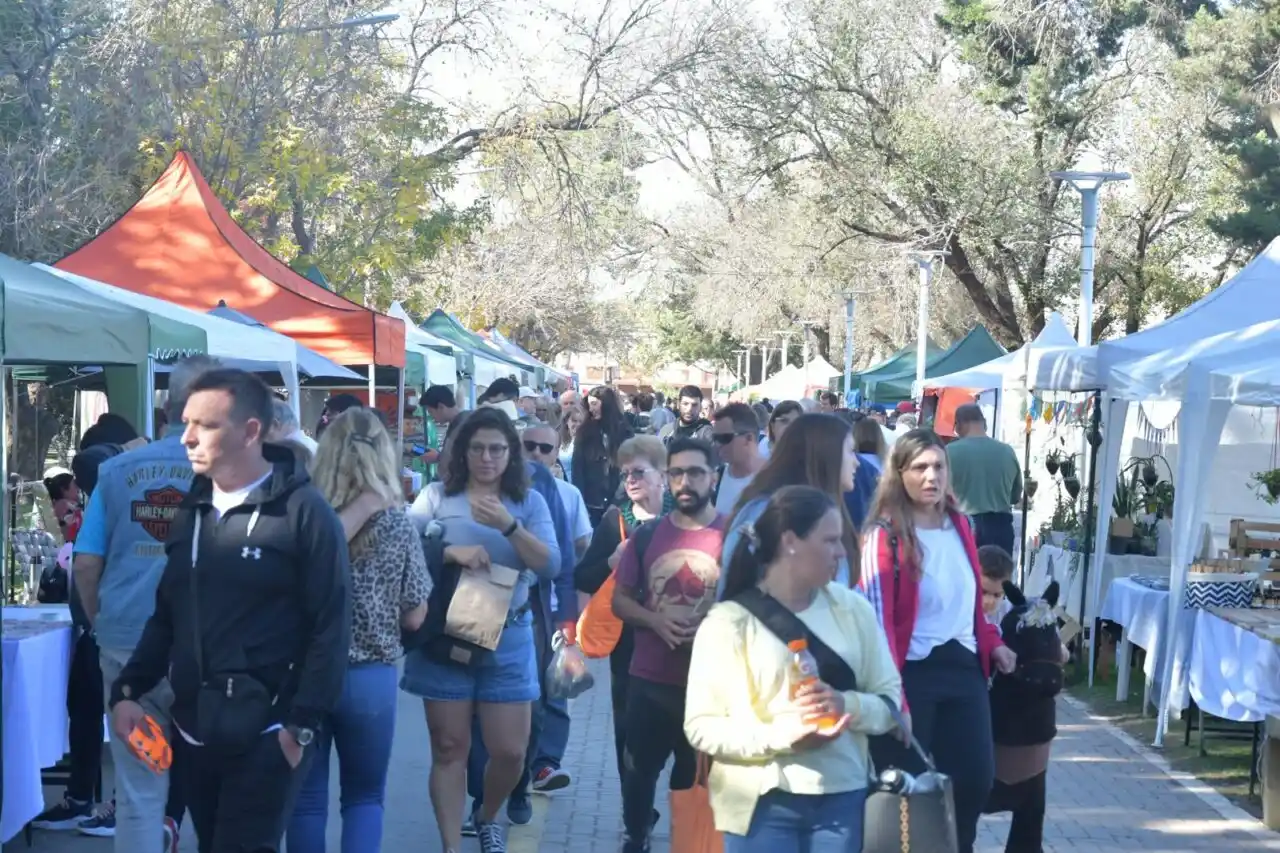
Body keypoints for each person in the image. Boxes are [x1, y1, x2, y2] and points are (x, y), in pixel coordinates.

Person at [109, 368, 352, 853]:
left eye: (206, 425)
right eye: (185, 422)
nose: (188, 438)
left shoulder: (304, 512)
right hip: (195, 728)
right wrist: (129, 689)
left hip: (268, 730)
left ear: (251, 432)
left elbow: (331, 624)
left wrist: (299, 725)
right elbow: (167, 614)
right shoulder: (193, 508)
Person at [686, 486, 904, 852]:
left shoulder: (854, 610)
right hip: (759, 803)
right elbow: (700, 726)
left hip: (842, 800)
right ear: (790, 541)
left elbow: (889, 702)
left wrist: (844, 705)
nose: (841, 552)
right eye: (831, 540)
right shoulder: (728, 622)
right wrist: (783, 737)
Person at [72, 354, 221, 850]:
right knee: (216, 787)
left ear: (169, 407)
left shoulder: (116, 471)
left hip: (128, 654)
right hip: (208, 656)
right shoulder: (229, 474)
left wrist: (101, 626)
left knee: (139, 787)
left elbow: (86, 564)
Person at [405, 406, 560, 853]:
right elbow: (404, 548)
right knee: (449, 747)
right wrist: (451, 553)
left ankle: (488, 814)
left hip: (508, 638)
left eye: (496, 448)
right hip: (446, 638)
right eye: (477, 448)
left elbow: (551, 563)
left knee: (511, 752)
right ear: (463, 452)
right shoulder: (436, 496)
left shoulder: (529, 502)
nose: (487, 457)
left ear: (511, 454)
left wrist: (508, 527)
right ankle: (452, 845)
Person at [860, 428, 1016, 853]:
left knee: (975, 780)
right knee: (908, 794)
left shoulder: (961, 525)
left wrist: (993, 642)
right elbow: (877, 626)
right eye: (920, 468)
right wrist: (895, 701)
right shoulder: (885, 534)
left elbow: (968, 603)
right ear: (900, 474)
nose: (932, 476)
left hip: (964, 670)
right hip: (911, 675)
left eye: (939, 467)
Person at [286, 409, 431, 853]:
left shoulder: (300, 516)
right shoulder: (397, 525)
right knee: (365, 798)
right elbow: (415, 616)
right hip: (370, 678)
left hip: (304, 674)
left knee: (305, 801)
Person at [611, 437, 726, 853]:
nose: (685, 482)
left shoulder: (735, 535)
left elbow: (753, 606)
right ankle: (637, 836)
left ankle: (688, 842)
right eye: (677, 473)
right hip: (650, 679)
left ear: (714, 477)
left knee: (695, 779)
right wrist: (654, 620)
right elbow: (620, 600)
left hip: (711, 687)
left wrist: (716, 629)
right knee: (639, 773)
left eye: (695, 472)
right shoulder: (647, 536)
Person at [572, 435, 673, 801]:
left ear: (663, 475)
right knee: (629, 734)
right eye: (625, 472)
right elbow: (582, 577)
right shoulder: (616, 519)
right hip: (629, 647)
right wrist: (612, 562)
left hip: (681, 643)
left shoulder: (685, 518)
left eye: (639, 472)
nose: (630, 480)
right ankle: (638, 813)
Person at [980, 545, 1067, 853]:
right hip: (981, 713)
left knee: (1031, 801)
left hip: (1020, 724)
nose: (990, 601)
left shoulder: (1013, 614)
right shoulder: (960, 608)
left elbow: (1051, 642)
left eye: (997, 594)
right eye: (984, 593)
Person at [717, 414, 860, 595]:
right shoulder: (767, 513)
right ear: (826, 453)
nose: (857, 461)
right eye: (850, 451)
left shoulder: (828, 511)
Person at [947, 404, 1022, 555]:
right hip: (1001, 527)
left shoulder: (948, 452)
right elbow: (1015, 496)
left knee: (966, 577)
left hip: (964, 526)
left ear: (959, 425)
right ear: (984, 423)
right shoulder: (1007, 451)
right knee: (999, 576)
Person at [572, 386, 633, 527]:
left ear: (606, 404)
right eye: (589, 404)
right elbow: (578, 470)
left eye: (594, 404)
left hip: (619, 505)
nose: (591, 408)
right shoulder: (584, 433)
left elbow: (629, 470)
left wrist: (617, 502)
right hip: (591, 505)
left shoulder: (625, 432)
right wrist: (580, 505)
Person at [711, 403, 765, 514]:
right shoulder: (715, 479)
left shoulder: (775, 480)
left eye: (724, 438)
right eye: (715, 438)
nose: (717, 444)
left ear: (748, 438)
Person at [419, 384, 462, 482]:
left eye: (431, 412)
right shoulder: (455, 424)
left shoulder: (464, 426)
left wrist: (438, 457)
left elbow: (463, 460)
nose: (431, 417)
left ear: (441, 407)